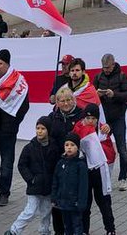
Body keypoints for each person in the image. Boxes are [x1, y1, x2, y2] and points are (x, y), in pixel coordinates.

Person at [0, 48, 29, 208]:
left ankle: (4, 194)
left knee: (6, 165)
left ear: (7, 65)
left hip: (8, 132)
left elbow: (24, 106)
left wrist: (13, 124)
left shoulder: (18, 81)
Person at [7, 116, 57, 235]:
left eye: (43, 128)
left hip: (48, 187)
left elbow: (56, 166)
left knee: (46, 212)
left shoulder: (54, 147)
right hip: (35, 186)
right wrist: (31, 179)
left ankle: (44, 231)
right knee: (30, 211)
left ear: (48, 130)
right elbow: (22, 165)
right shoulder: (29, 147)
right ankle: (14, 230)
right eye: (37, 128)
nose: (39, 131)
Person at [72, 103, 116, 235]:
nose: (90, 121)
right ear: (84, 118)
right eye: (88, 118)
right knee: (85, 204)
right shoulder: (78, 129)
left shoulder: (103, 131)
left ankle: (110, 229)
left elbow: (110, 152)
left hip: (99, 173)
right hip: (85, 172)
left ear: (97, 119)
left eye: (93, 119)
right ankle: (84, 230)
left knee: (104, 203)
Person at [46, 87, 84, 235]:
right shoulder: (52, 116)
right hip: (58, 164)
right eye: (62, 101)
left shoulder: (81, 115)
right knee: (57, 201)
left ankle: (81, 230)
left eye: (69, 100)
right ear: (57, 102)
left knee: (76, 203)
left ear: (73, 100)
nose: (66, 103)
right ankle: (59, 231)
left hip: (76, 164)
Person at [94, 52, 127, 190]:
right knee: (102, 149)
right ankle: (104, 176)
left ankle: (123, 178)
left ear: (114, 64)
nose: (106, 70)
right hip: (104, 119)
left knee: (122, 150)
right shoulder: (98, 77)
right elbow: (92, 96)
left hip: (118, 118)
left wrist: (114, 94)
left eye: (108, 67)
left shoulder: (122, 76)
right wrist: (98, 94)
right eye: (104, 67)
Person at [50, 134, 89, 235]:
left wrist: (81, 202)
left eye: (72, 145)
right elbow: (56, 181)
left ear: (77, 147)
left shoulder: (80, 165)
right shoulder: (60, 163)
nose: (69, 147)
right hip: (63, 203)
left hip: (75, 203)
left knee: (77, 225)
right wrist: (54, 198)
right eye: (67, 145)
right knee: (67, 226)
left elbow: (83, 186)